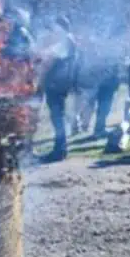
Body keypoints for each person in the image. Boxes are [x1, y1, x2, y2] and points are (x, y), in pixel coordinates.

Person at [40, 15, 78, 163]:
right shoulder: (68, 40)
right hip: (59, 83)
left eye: (56, 27)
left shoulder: (67, 40)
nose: (54, 30)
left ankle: (60, 150)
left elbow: (51, 57)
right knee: (57, 116)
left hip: (57, 84)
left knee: (58, 117)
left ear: (62, 27)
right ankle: (60, 148)